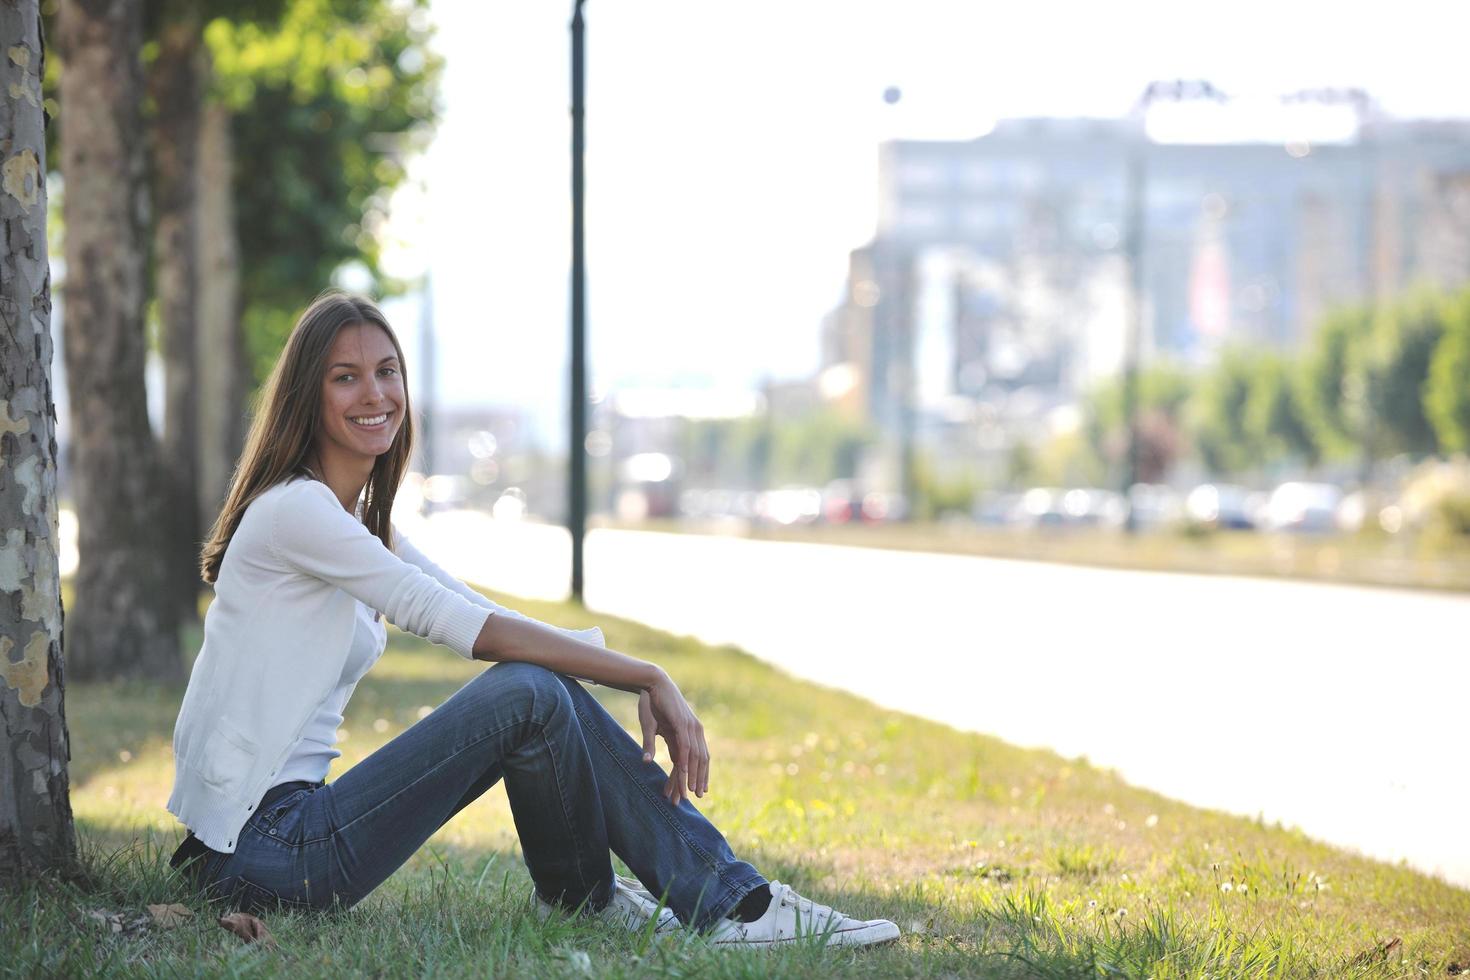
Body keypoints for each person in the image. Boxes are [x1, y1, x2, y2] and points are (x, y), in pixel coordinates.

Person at [166, 291, 899, 948]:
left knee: (536, 688)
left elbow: (478, 608)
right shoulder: (298, 511)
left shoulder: (352, 521)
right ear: (308, 396)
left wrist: (604, 670)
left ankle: (605, 902)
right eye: (345, 376)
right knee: (526, 691)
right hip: (263, 851)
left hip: (266, 841)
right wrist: (646, 675)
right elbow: (456, 625)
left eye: (387, 371)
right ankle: (734, 906)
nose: (375, 393)